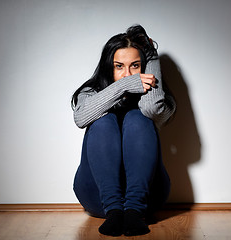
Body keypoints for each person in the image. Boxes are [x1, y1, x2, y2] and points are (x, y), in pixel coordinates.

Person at [71, 25, 176, 236]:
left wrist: (152, 55)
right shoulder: (90, 92)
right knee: (103, 121)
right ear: (109, 67)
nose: (127, 73)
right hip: (96, 196)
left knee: (138, 116)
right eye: (119, 66)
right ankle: (114, 211)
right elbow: (81, 118)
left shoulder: (159, 98)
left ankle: (133, 211)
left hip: (147, 199)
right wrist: (124, 86)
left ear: (144, 67)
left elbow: (151, 108)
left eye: (135, 66)